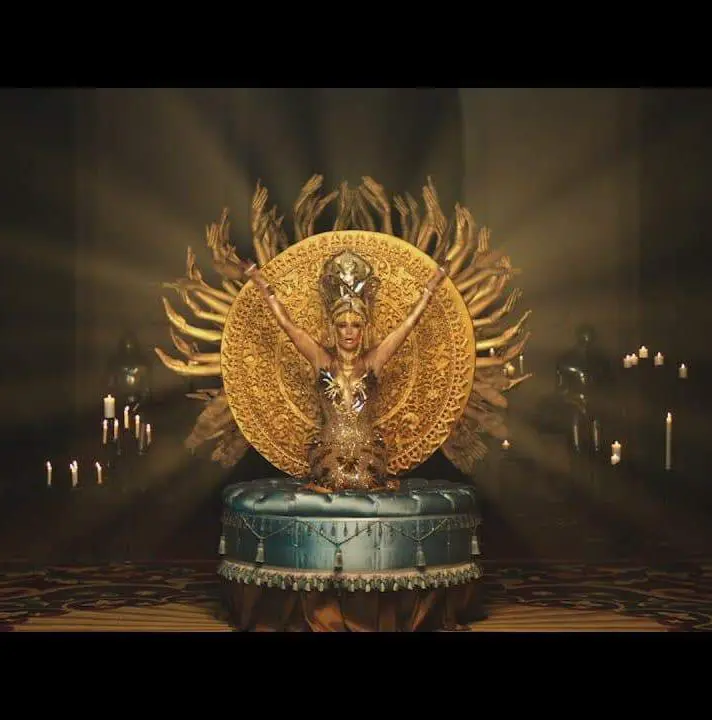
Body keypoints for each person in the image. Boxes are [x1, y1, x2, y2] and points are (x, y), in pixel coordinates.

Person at [236, 250, 448, 492]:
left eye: (355, 325)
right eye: (342, 325)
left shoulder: (373, 362)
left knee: (364, 480)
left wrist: (431, 287)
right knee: (335, 478)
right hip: (328, 452)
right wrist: (260, 282)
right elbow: (288, 325)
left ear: (363, 329)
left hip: (369, 453)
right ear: (334, 328)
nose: (348, 331)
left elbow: (407, 325)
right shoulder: (322, 360)